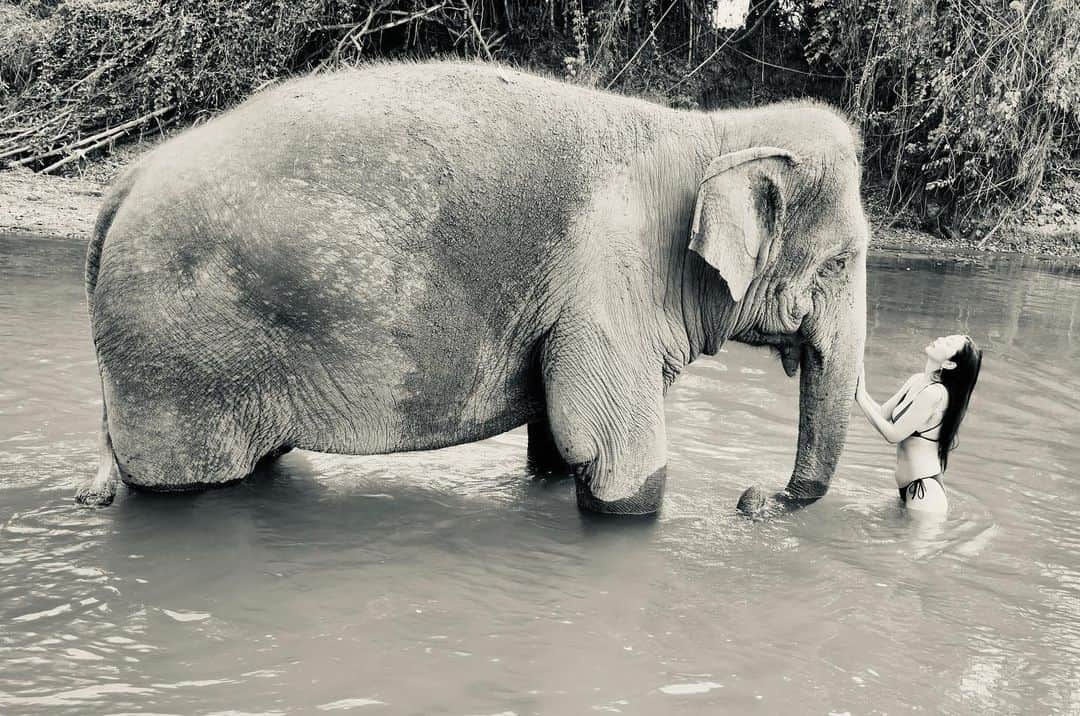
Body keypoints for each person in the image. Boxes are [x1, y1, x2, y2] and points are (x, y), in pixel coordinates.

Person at [855, 335, 983, 512]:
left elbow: (893, 435)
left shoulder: (935, 394)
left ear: (949, 364)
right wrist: (860, 386)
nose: (940, 338)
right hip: (910, 489)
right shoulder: (917, 380)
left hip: (925, 492)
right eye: (946, 337)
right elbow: (883, 414)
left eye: (948, 343)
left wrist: (860, 397)